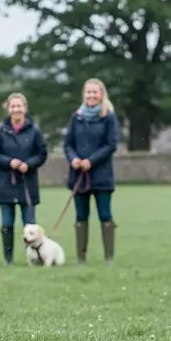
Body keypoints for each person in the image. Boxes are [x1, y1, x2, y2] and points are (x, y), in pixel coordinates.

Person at [63, 78, 119, 264]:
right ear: (84, 94)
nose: (92, 95)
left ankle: (109, 257)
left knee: (105, 215)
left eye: (95, 92)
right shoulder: (76, 117)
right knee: (81, 216)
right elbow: (68, 143)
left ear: (101, 94)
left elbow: (111, 144)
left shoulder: (108, 117)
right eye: (88, 92)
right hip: (79, 176)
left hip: (101, 176)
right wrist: (74, 159)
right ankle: (81, 258)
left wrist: (91, 161)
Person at [0, 92, 48, 265]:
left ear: (25, 109)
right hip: (6, 183)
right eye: (13, 106)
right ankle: (8, 259)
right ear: (8, 109)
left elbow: (42, 153)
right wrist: (9, 162)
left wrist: (28, 164)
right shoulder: (0, 131)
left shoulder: (34, 131)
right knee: (7, 224)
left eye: (19, 106)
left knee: (30, 225)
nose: (16, 109)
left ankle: (35, 258)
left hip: (27, 184)